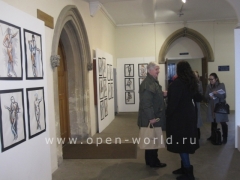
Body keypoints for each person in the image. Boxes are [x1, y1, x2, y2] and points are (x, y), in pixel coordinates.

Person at [166, 60, 201, 179]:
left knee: (182, 145)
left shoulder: (177, 84)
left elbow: (172, 104)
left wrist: (166, 115)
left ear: (178, 70)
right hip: (189, 118)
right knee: (184, 144)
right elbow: (198, 97)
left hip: (179, 120)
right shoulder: (190, 82)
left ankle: (188, 173)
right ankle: (184, 168)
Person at [138, 61, 167, 168]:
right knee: (152, 140)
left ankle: (151, 161)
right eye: (156, 69)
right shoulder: (148, 84)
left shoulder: (152, 82)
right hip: (151, 118)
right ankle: (153, 162)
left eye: (158, 69)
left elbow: (154, 97)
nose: (158, 71)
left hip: (154, 116)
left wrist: (162, 94)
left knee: (152, 140)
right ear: (150, 70)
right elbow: (146, 103)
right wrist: (151, 118)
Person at [205, 73, 228, 144]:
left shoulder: (221, 85)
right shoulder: (208, 86)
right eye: (209, 79)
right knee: (213, 122)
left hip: (220, 107)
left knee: (223, 122)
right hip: (212, 107)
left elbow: (224, 96)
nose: (210, 80)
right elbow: (205, 96)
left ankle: (225, 137)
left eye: (212, 79)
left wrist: (216, 93)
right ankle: (213, 135)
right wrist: (209, 97)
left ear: (216, 79)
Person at [193, 70, 203, 140]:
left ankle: (198, 135)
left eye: (196, 75)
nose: (195, 77)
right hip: (192, 102)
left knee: (198, 118)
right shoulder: (190, 83)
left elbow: (201, 93)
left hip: (197, 102)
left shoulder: (200, 83)